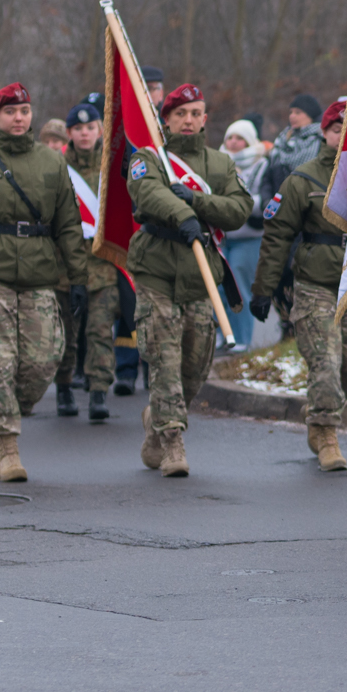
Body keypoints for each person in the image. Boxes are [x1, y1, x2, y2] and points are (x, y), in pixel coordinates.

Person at [0, 83, 89, 482]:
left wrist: (78, 278)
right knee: (0, 361)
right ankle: (6, 445)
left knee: (44, 360)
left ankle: (4, 412)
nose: (19, 118)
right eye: (10, 112)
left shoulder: (52, 163)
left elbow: (69, 226)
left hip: (40, 278)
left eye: (24, 110)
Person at [251, 99, 347, 471]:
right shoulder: (304, 179)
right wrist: (263, 289)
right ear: (326, 132)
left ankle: (319, 412)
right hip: (315, 285)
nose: (346, 138)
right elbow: (277, 236)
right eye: (339, 130)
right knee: (326, 364)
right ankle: (328, 435)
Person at [126, 83, 254, 478]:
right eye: (180, 114)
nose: (188, 120)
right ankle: (172, 442)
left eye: (195, 113)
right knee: (164, 359)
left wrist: (196, 202)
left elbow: (238, 209)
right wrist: (180, 214)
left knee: (195, 365)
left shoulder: (220, 163)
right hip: (157, 272)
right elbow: (146, 194)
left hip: (201, 276)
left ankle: (157, 419)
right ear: (166, 119)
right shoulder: (149, 158)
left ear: (204, 118)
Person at [53, 101, 120, 421]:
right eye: (78, 129)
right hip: (64, 267)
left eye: (90, 128)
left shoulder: (111, 166)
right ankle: (64, 387)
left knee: (99, 331)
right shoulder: (54, 166)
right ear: (69, 133)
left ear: (100, 130)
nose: (84, 134)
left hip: (102, 266)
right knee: (65, 332)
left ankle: (98, 391)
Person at [221, 118, 268, 348]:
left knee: (239, 286)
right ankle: (225, 335)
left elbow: (266, 199)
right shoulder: (220, 163)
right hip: (223, 236)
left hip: (249, 236)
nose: (233, 142)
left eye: (239, 138)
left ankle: (243, 340)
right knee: (221, 288)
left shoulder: (261, 164)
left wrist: (239, 203)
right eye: (230, 137)